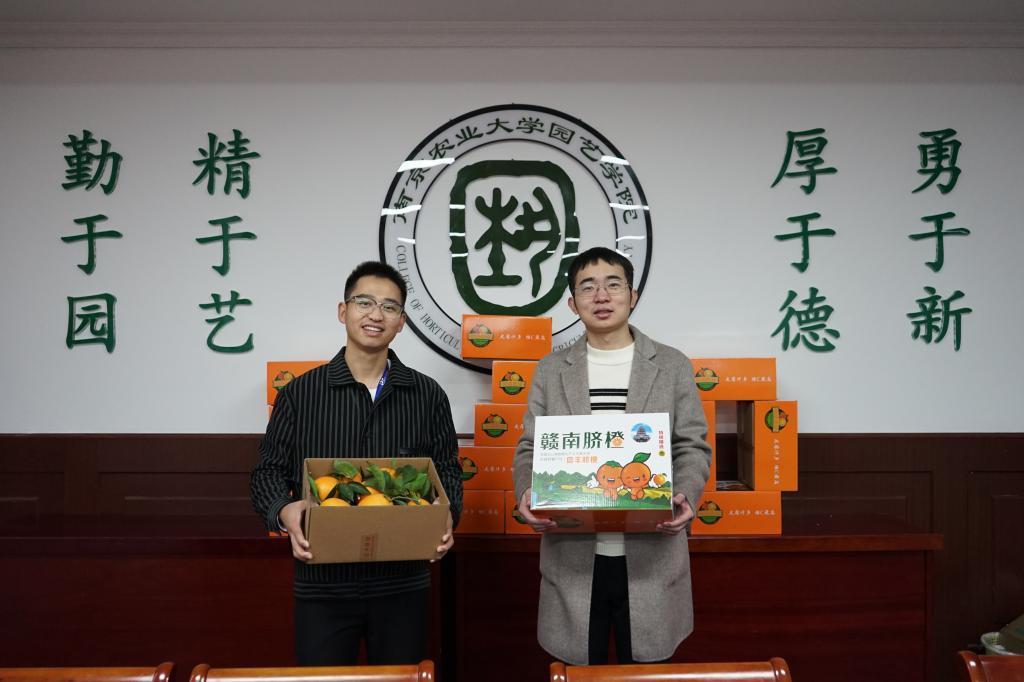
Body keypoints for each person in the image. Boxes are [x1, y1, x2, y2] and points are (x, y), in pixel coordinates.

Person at [251, 260, 463, 666]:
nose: (375, 315)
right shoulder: (300, 393)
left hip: (403, 580)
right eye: (364, 302)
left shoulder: (427, 394)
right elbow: (268, 471)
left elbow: (447, 469)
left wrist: (447, 514)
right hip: (322, 582)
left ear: (401, 322)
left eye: (389, 307)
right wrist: (282, 510)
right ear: (342, 311)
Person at [513, 246, 711, 665]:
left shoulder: (672, 365)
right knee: (576, 668)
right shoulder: (550, 370)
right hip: (572, 556)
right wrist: (527, 492)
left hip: (653, 554)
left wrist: (686, 494)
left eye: (613, 285)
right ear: (573, 303)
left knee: (645, 671)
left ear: (632, 296)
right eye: (587, 287)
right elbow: (530, 446)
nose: (601, 296)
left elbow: (691, 444)